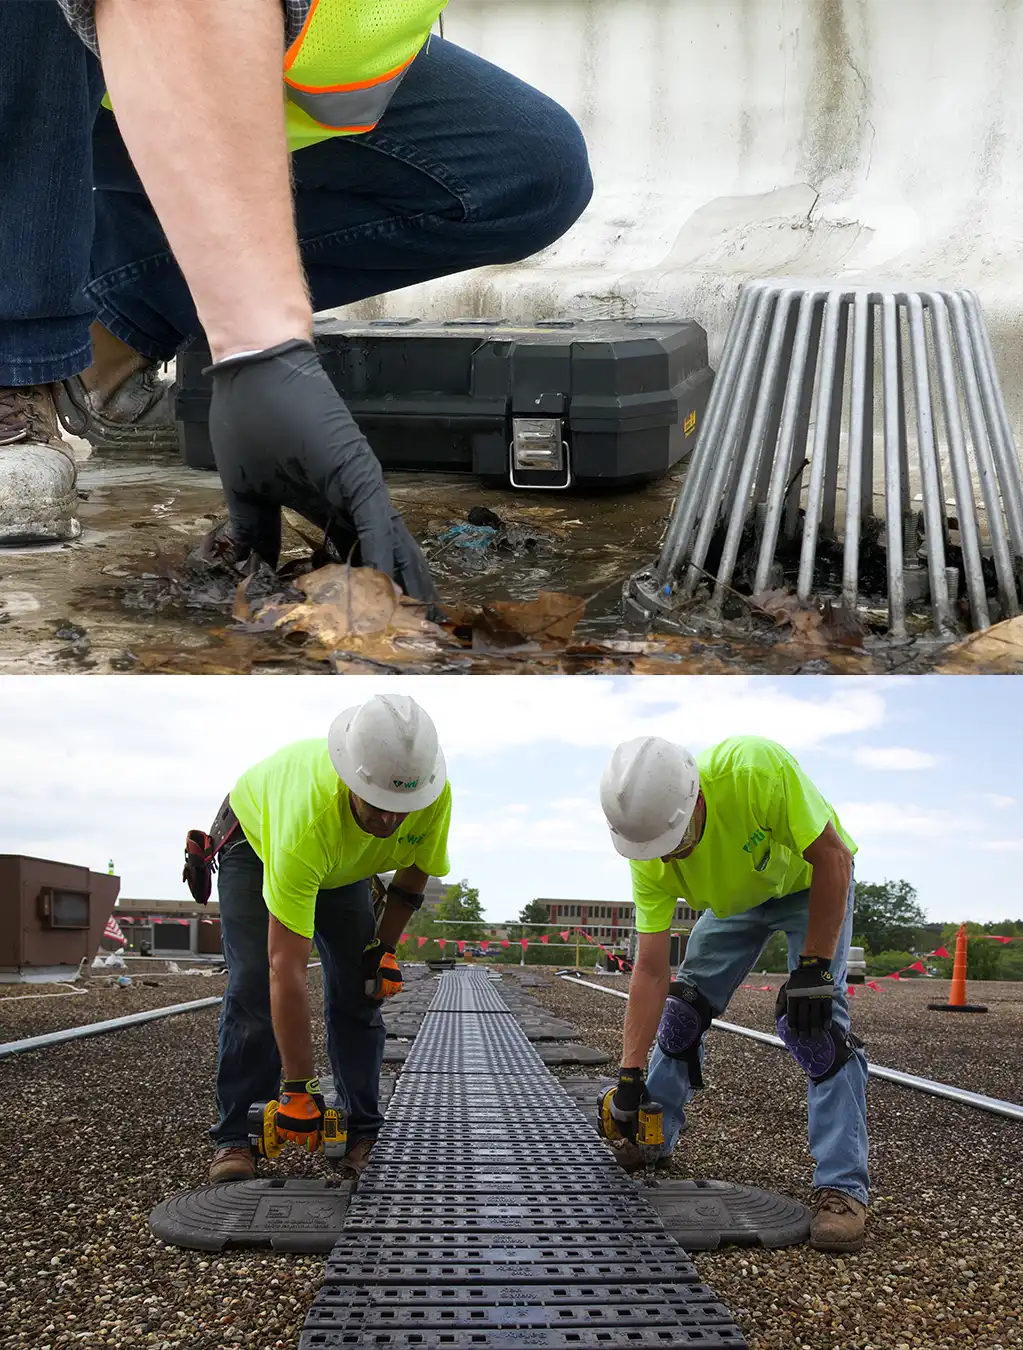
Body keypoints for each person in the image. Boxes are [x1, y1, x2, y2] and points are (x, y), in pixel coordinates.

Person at [2, 0, 592, 596]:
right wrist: (260, 350)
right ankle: (15, 362)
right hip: (51, 67)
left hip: (238, 46)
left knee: (528, 172)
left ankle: (110, 325)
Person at [597, 734, 869, 1253]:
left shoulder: (754, 770)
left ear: (697, 799)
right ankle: (653, 1134)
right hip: (734, 903)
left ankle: (843, 1187)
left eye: (679, 840)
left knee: (816, 1027)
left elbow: (834, 857)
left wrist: (813, 970)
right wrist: (629, 1075)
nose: (672, 855)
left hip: (809, 880)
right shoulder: (648, 846)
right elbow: (651, 972)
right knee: (683, 1012)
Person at [196, 693, 452, 1184]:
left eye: (402, 808)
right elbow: (284, 968)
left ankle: (362, 1129)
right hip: (258, 839)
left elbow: (414, 873)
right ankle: (237, 1135)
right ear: (353, 780)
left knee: (361, 984)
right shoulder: (306, 821)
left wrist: (383, 948)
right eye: (378, 806)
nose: (391, 821)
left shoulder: (430, 794)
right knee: (252, 983)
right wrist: (299, 1085)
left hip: (343, 860)